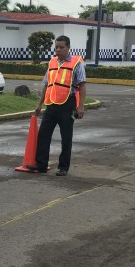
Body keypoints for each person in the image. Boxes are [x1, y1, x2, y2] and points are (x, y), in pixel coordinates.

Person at [26, 35, 87, 176]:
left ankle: (63, 167)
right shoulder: (52, 62)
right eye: (56, 47)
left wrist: (81, 106)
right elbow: (47, 85)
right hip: (51, 105)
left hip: (68, 105)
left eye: (61, 47)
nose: (58, 50)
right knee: (43, 135)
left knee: (66, 138)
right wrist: (39, 104)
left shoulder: (76, 63)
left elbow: (82, 85)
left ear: (68, 48)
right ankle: (41, 165)